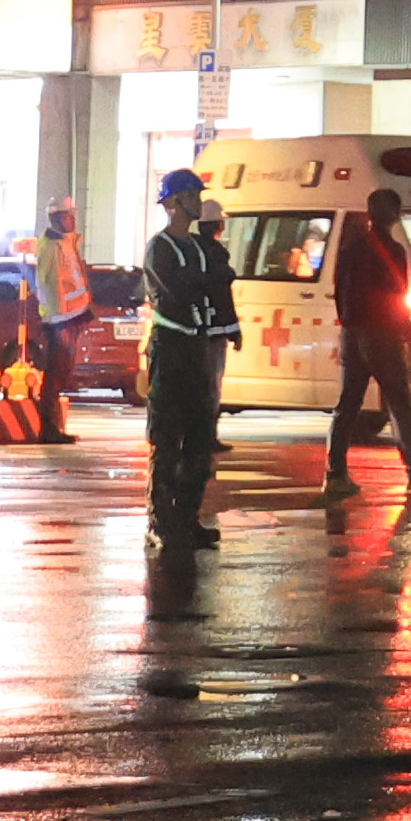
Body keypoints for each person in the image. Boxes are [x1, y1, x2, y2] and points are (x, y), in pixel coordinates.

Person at [143, 169, 240, 556]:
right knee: (167, 439)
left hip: (197, 348)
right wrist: (209, 285)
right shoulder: (160, 247)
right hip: (171, 349)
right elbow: (178, 291)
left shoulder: (200, 248)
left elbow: (220, 283)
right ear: (172, 204)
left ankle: (187, 517)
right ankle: (160, 521)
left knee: (199, 439)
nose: (197, 201)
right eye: (190, 194)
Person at [327, 186, 411, 499]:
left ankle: (335, 472)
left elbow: (341, 291)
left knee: (348, 405)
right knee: (401, 404)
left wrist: (349, 326)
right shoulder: (392, 251)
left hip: (353, 333)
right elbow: (397, 296)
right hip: (381, 335)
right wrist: (404, 331)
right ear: (394, 215)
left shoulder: (351, 249)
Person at [33, 199, 99, 421]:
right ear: (56, 218)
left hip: (72, 315)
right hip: (61, 319)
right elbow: (45, 283)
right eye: (68, 215)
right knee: (56, 372)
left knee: (63, 371)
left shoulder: (65, 242)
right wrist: (55, 318)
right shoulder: (50, 246)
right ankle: (48, 426)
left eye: (72, 214)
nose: (73, 219)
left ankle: (52, 426)